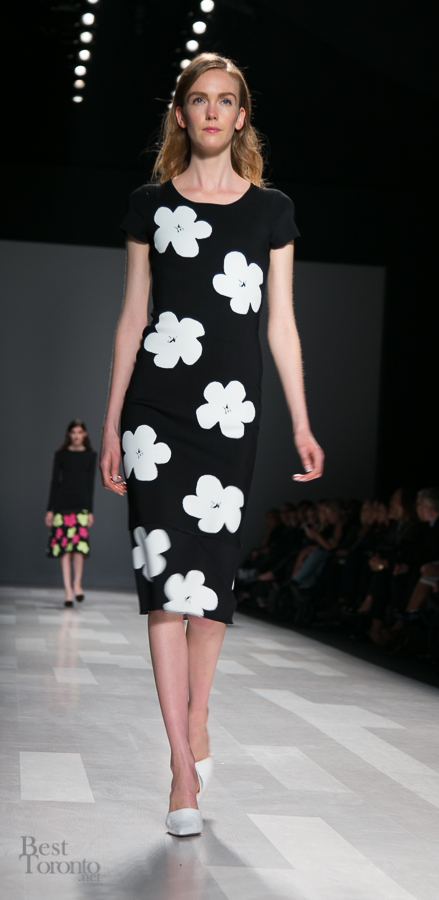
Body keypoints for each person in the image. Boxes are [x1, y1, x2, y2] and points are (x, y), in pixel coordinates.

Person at [99, 53, 324, 837]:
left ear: (240, 115)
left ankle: (198, 715)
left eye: (226, 100)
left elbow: (280, 324)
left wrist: (300, 419)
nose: (212, 112)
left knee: (212, 584)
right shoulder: (149, 205)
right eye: (199, 99)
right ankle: (179, 769)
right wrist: (111, 422)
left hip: (230, 413)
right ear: (181, 112)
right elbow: (133, 318)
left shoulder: (271, 211)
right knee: (165, 584)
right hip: (155, 411)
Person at [46, 419, 96, 607]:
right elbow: (54, 482)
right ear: (69, 434)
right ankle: (68, 590)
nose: (76, 436)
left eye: (79, 432)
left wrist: (90, 511)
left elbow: (90, 484)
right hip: (62, 505)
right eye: (73, 432)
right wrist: (50, 509)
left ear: (84, 434)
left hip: (81, 506)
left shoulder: (90, 455)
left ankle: (77, 584)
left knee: (78, 549)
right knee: (64, 550)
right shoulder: (61, 455)